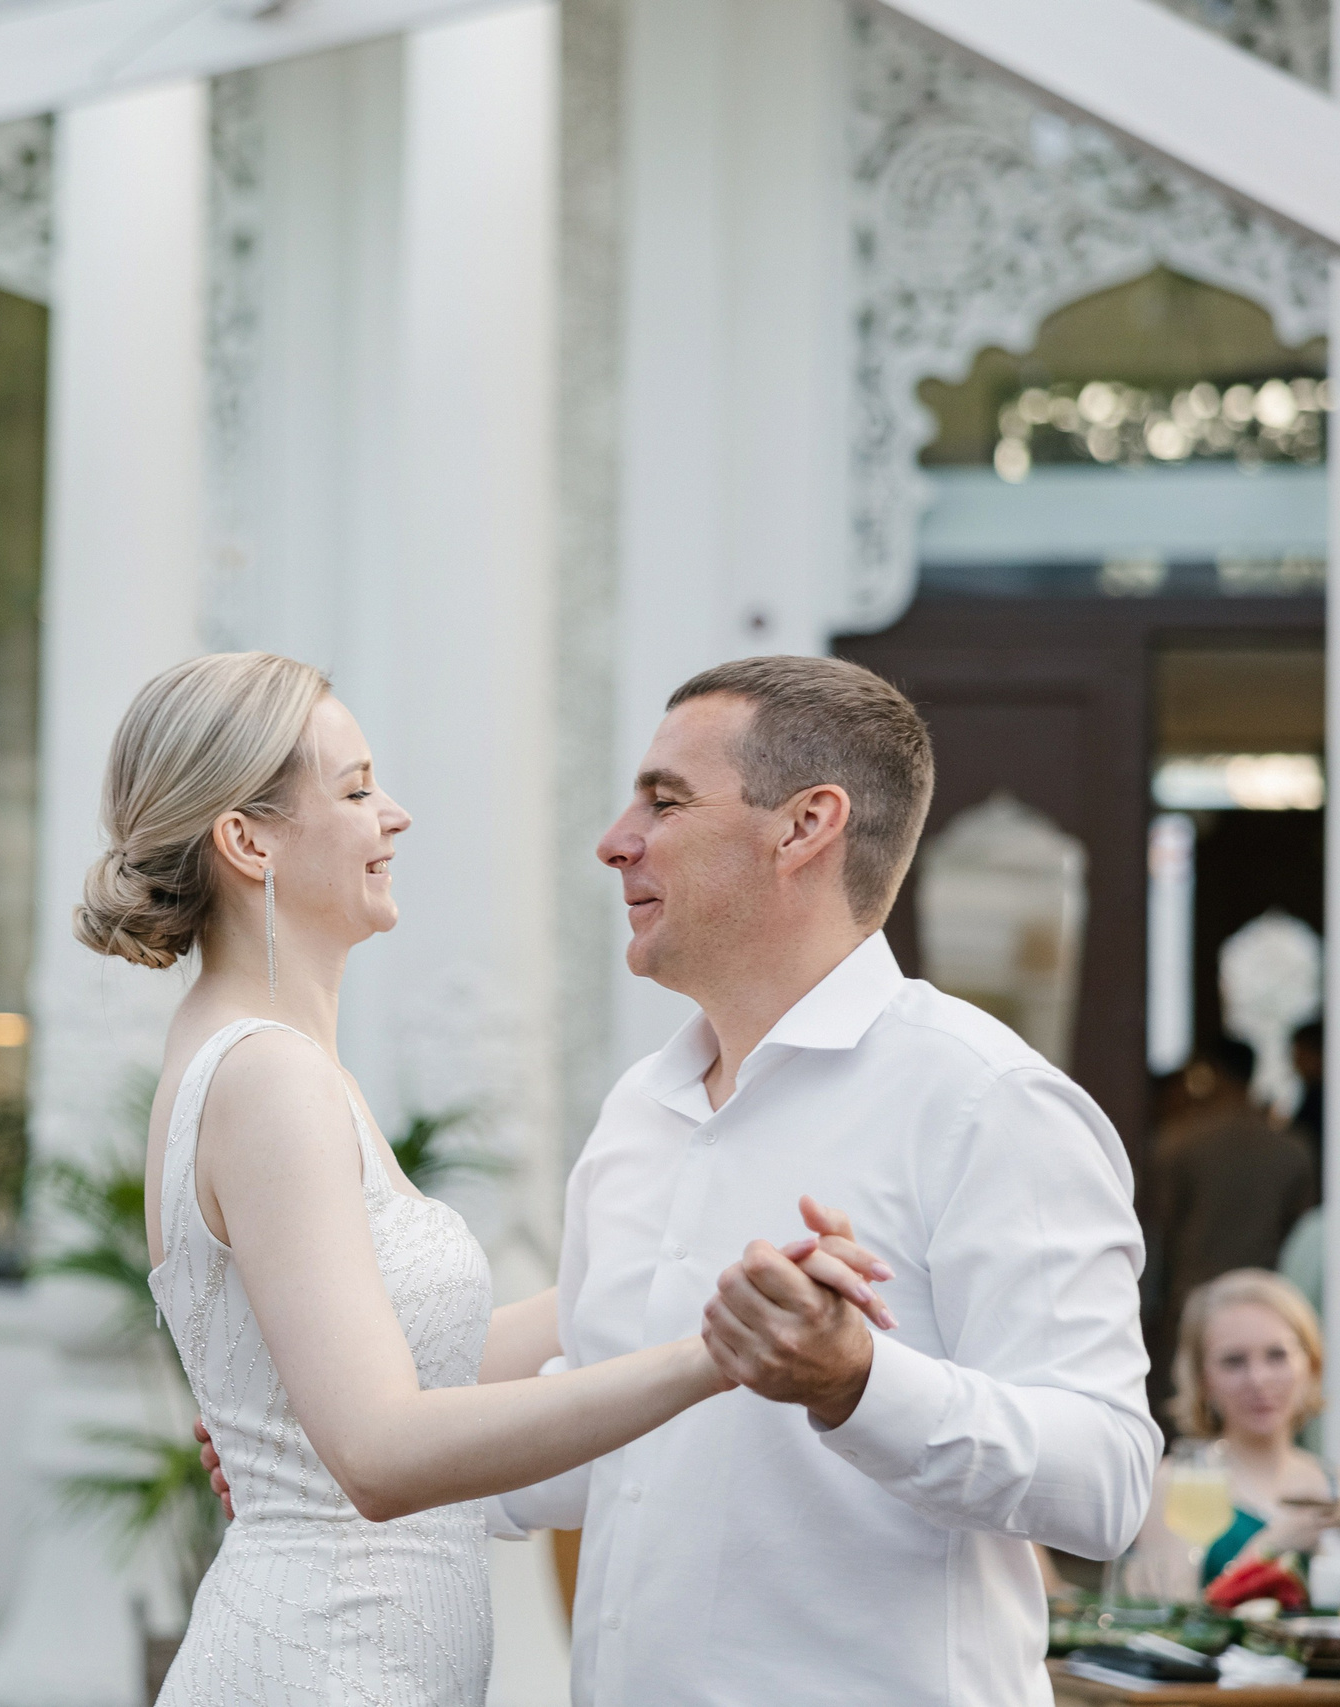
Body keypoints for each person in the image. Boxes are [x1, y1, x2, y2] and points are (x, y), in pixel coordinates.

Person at [87, 654, 886, 1706]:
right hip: (324, 1668)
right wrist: (714, 1358)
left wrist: (712, 1272)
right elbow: (380, 1452)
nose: (396, 814)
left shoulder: (266, 1059)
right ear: (248, 842)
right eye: (356, 789)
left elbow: (430, 1359)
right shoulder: (270, 1077)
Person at [482, 655, 1156, 1706]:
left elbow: (1105, 1481)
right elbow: (625, 1454)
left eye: (665, 801)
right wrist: (338, 1469)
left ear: (804, 826)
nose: (614, 840)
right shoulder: (637, 1114)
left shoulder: (985, 1101)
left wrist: (857, 1382)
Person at [1139, 1269, 1335, 1587]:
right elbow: (1171, 1608)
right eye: (1234, 1361)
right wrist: (1268, 1548)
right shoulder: (1178, 1482)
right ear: (1202, 1379)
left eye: (1277, 1355)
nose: (1258, 1380)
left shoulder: (1331, 1483)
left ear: (1310, 1363)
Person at [1150, 1041, 1318, 1366]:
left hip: (1193, 1293)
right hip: (1267, 1294)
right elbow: (1302, 1232)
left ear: (1211, 1075)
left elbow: (1161, 1225)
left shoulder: (1178, 1142)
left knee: (1193, 1386)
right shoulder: (1293, 1147)